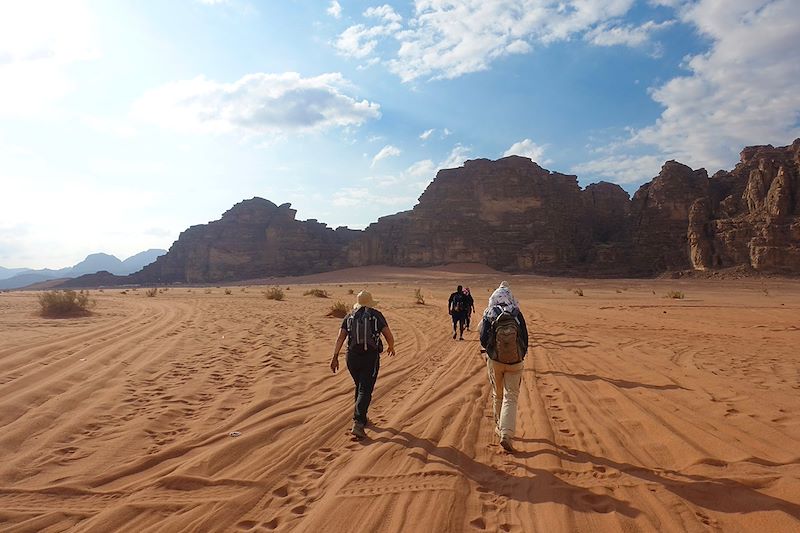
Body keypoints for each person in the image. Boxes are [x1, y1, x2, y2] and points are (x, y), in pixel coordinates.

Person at [330, 290, 395, 439]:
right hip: (370, 358)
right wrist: (391, 346)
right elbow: (388, 335)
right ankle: (358, 423)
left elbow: (340, 338)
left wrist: (334, 357)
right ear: (370, 302)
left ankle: (362, 418)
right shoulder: (376, 315)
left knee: (360, 387)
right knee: (365, 389)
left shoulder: (349, 316)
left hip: (351, 357)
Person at [479, 281, 528, 452]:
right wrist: (520, 355)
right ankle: (506, 434)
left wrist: (493, 351)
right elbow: (525, 338)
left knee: (498, 395)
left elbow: (483, 339)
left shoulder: (489, 312)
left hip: (495, 361)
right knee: (511, 397)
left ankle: (500, 427)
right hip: (516, 362)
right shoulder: (516, 313)